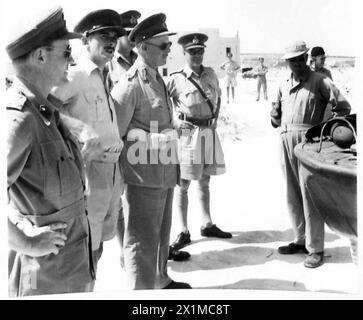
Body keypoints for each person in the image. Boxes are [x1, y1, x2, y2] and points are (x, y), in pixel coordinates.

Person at [6, 6, 94, 296]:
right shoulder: (20, 118)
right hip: (43, 277)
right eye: (66, 53)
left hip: (71, 268)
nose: (71, 61)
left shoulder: (42, 108)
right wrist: (26, 243)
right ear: (41, 56)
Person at [111, 13, 191, 290]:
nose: (169, 51)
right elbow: (115, 138)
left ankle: (160, 278)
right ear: (143, 47)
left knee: (160, 233)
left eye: (168, 46)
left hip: (164, 172)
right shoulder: (129, 85)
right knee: (140, 241)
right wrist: (152, 139)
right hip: (142, 178)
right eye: (163, 46)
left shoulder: (157, 79)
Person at [52, 9, 125, 277]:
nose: (111, 41)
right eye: (103, 36)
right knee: (86, 250)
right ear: (85, 40)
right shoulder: (77, 75)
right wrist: (79, 128)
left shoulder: (105, 74)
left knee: (99, 247)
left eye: (115, 37)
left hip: (112, 173)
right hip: (90, 174)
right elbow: (42, 108)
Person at [270, 40, 351, 268]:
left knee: (309, 195)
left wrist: (327, 130)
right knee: (292, 192)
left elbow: (343, 107)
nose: (296, 63)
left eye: (299, 58)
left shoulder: (320, 81)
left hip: (308, 142)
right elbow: (276, 118)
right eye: (291, 60)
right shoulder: (283, 84)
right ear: (287, 62)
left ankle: (316, 248)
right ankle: (300, 239)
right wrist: (274, 116)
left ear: (306, 57)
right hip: (285, 140)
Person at [167, 33, 232, 254]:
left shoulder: (211, 74)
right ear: (184, 54)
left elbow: (219, 96)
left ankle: (207, 223)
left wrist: (215, 116)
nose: (197, 55)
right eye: (192, 51)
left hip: (208, 131)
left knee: (205, 180)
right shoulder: (176, 78)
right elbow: (164, 105)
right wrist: (175, 122)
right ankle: (183, 230)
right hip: (188, 135)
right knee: (183, 184)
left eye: (200, 51)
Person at [108, 10, 141, 88]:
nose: (133, 37)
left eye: (135, 34)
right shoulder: (108, 63)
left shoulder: (141, 60)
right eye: (129, 33)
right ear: (117, 35)